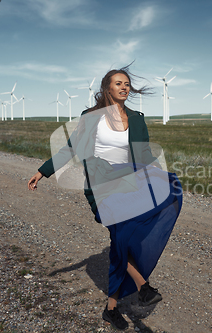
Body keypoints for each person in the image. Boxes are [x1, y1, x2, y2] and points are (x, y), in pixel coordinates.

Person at [27, 64, 182, 330]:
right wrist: (43, 172)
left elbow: (143, 156)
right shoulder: (91, 117)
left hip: (129, 183)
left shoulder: (135, 118)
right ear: (106, 88)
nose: (124, 87)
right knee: (120, 239)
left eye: (127, 84)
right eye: (118, 83)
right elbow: (71, 149)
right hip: (102, 187)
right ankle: (143, 287)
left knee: (122, 239)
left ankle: (111, 308)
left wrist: (156, 174)